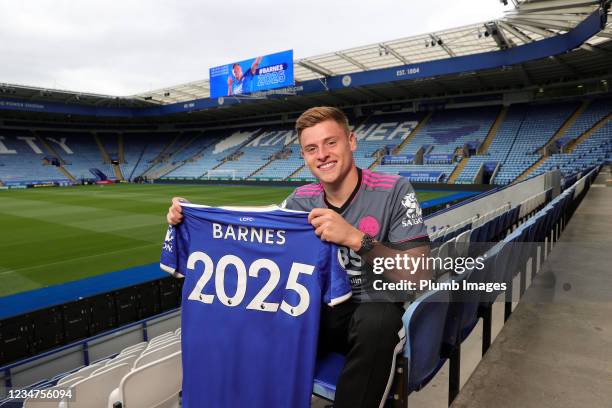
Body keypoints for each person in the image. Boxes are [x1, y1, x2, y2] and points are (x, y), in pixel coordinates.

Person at [166, 106, 431, 408]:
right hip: (316, 315)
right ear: (304, 156)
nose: (323, 155)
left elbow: (419, 276)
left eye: (331, 142)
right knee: (257, 316)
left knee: (378, 320)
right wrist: (191, 217)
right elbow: (252, 237)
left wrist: (356, 239)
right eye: (311, 148)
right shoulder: (299, 200)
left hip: (370, 310)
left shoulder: (395, 190)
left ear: (352, 141)